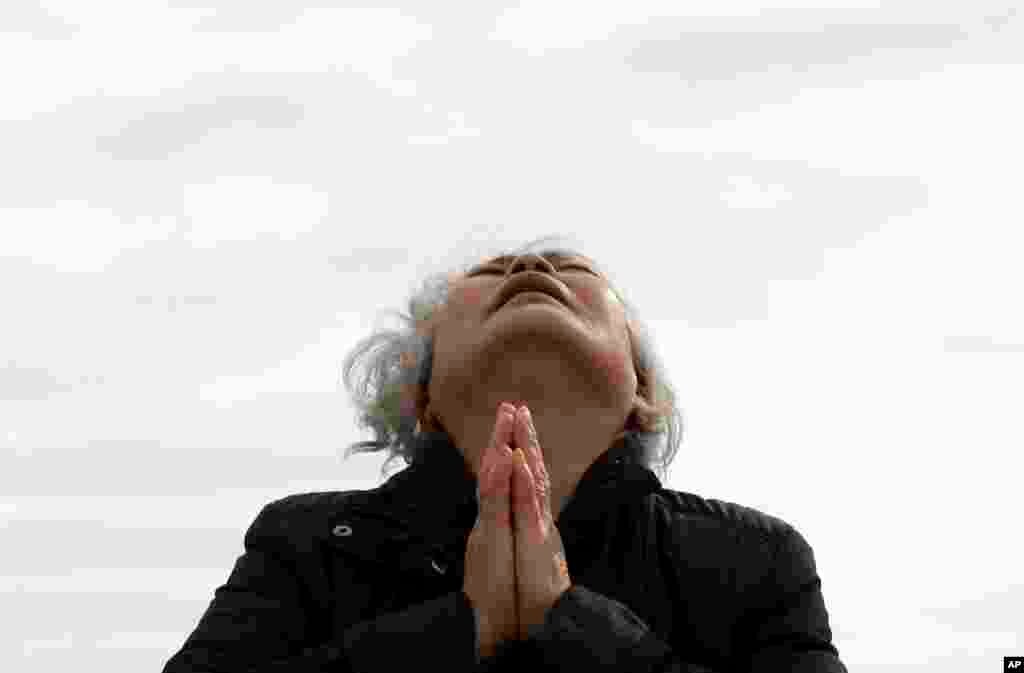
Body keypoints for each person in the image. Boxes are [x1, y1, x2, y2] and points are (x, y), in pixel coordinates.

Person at [161, 236, 849, 672]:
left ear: (643, 391)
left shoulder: (752, 560)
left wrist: (576, 624)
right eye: (493, 272)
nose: (529, 266)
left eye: (570, 268)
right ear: (423, 396)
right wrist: (462, 626)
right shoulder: (311, 545)